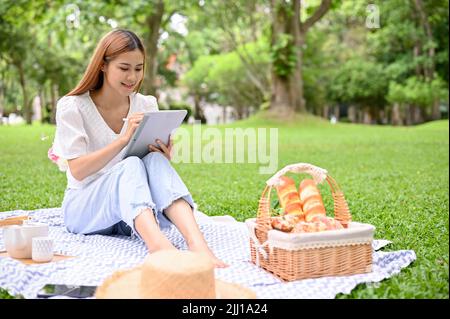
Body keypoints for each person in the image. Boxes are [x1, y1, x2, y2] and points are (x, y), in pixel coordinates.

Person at [52, 29, 227, 268]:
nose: (132, 77)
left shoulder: (146, 104)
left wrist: (163, 156)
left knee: (153, 162)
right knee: (131, 164)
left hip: (129, 216)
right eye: (124, 68)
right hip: (85, 211)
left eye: (138, 68)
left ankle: (198, 245)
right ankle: (159, 248)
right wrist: (122, 140)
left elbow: (151, 168)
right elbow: (77, 171)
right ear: (103, 65)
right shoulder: (73, 106)